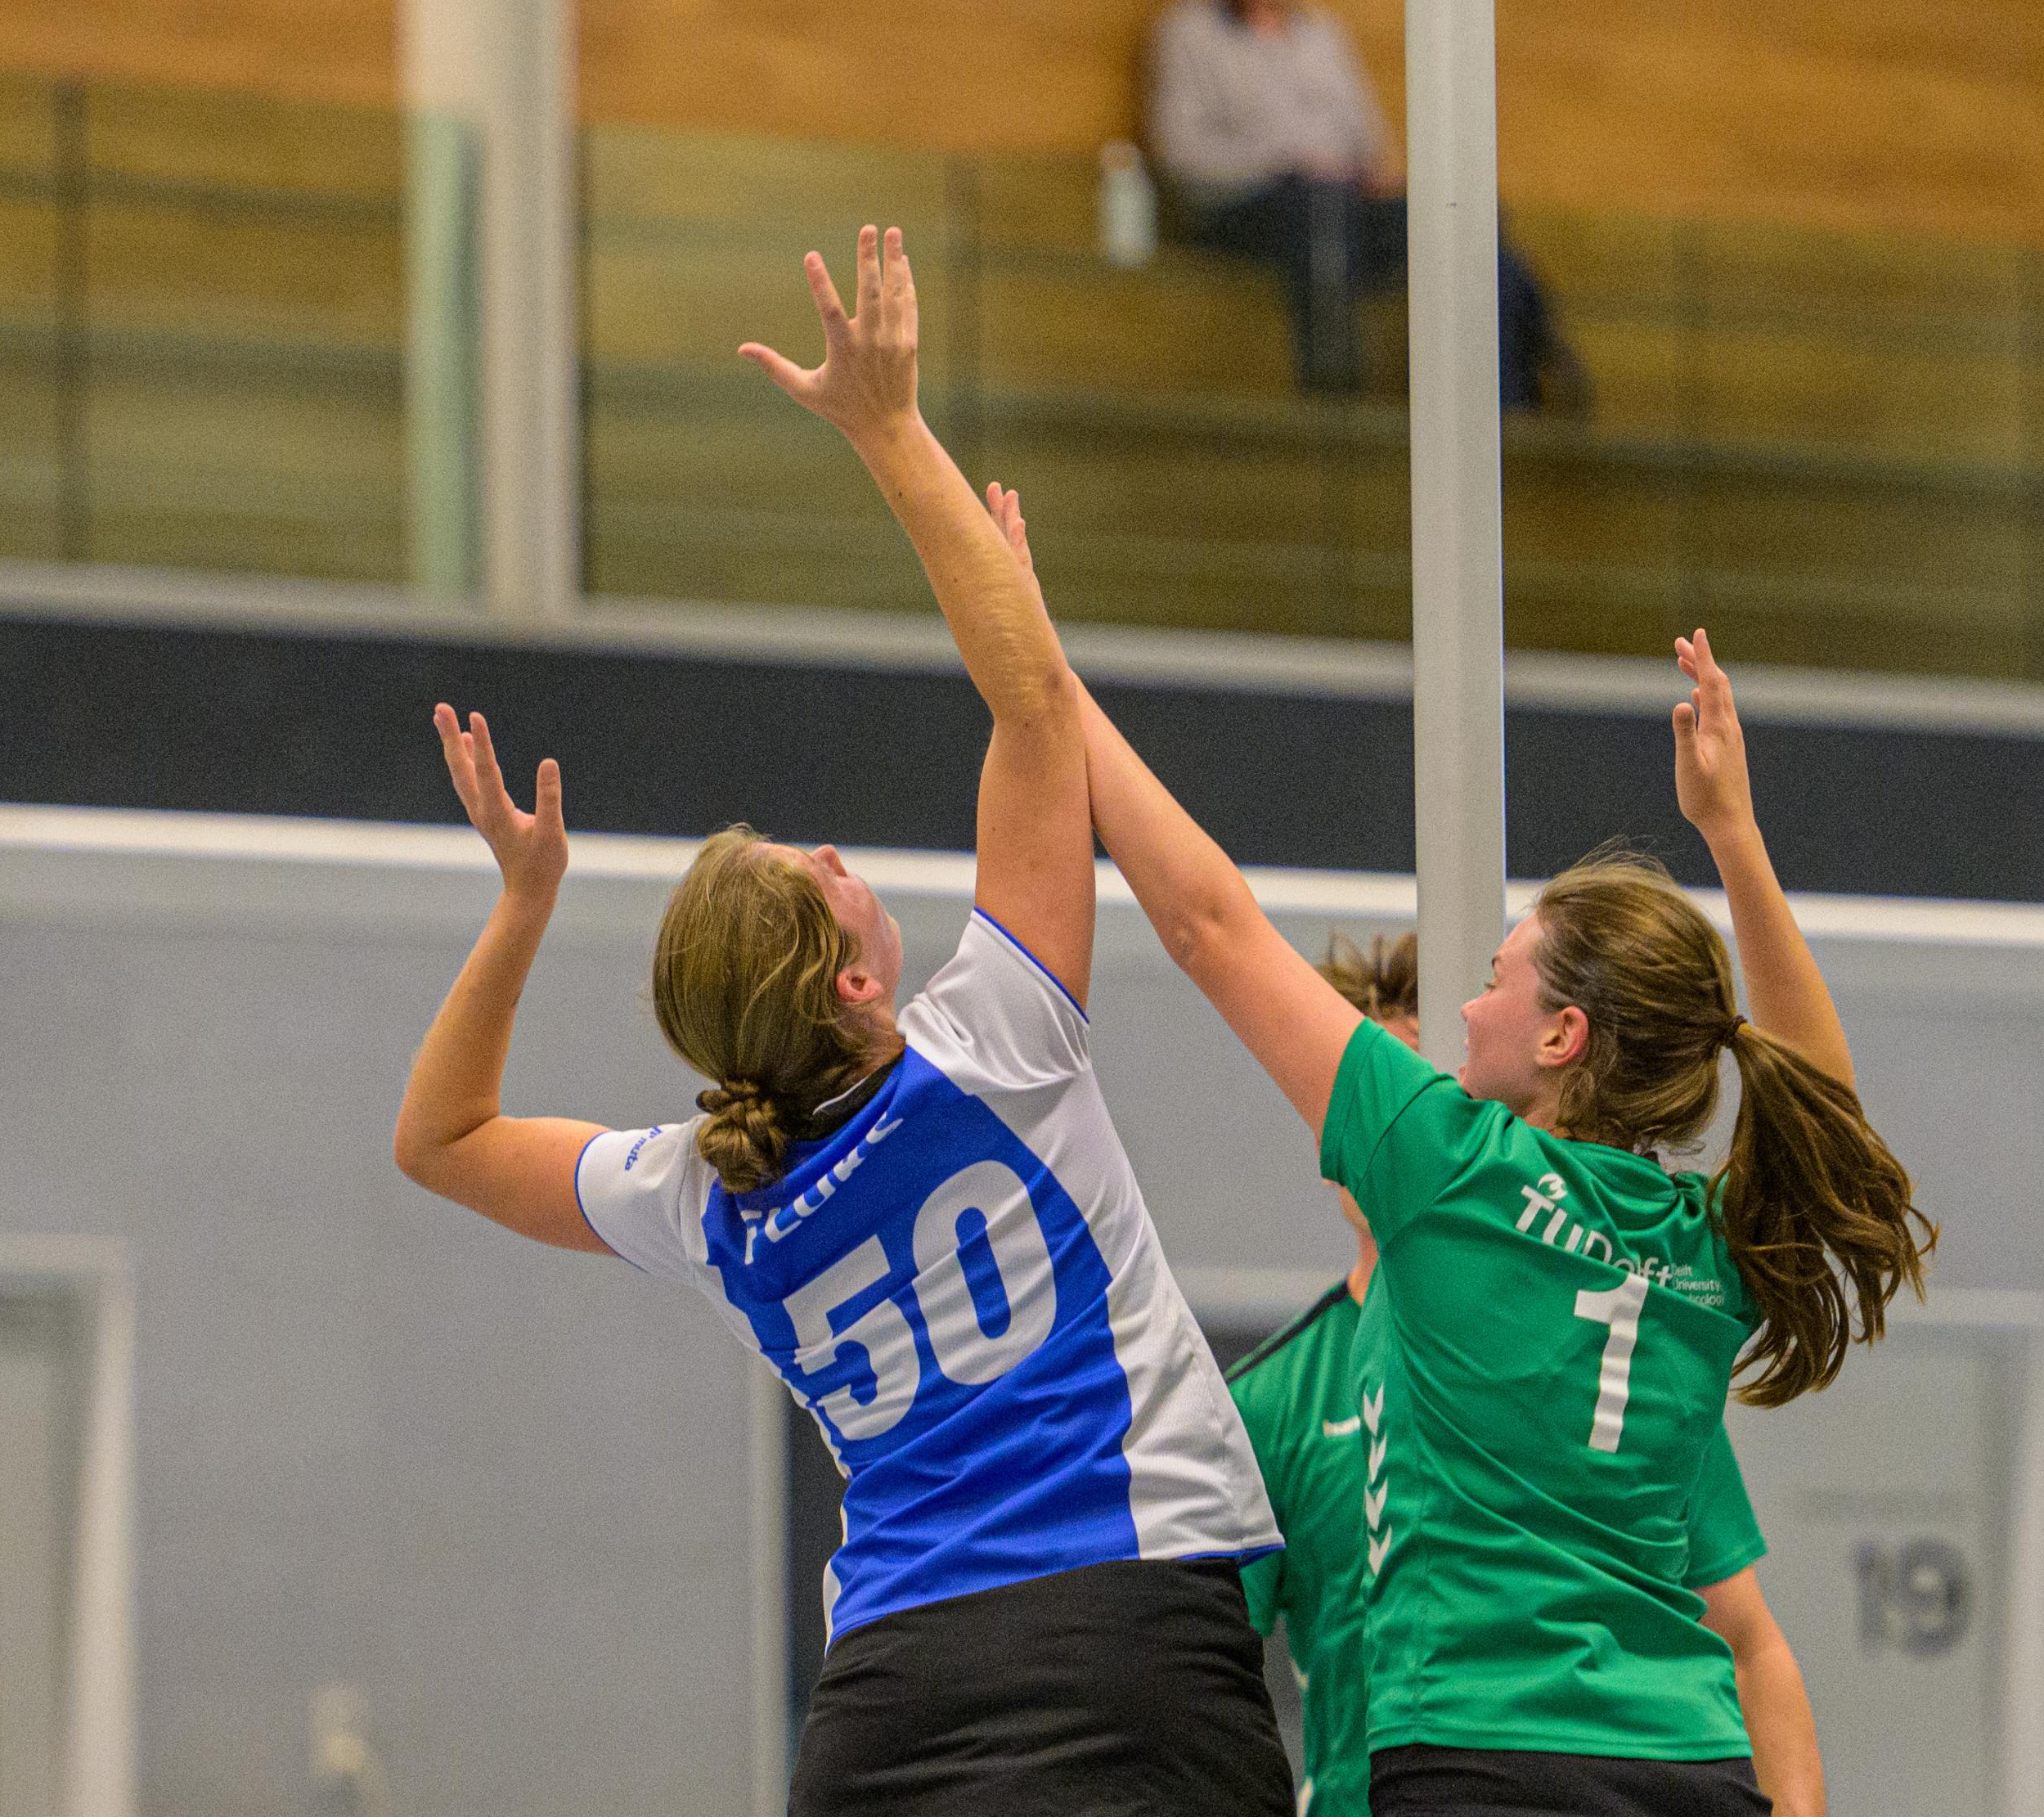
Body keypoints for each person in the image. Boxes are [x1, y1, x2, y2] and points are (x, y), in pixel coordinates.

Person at [393, 227, 1293, 1816]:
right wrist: (891, 430)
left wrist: (523, 902)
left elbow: (441, 1138)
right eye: (812, 871)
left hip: (892, 1692)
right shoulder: (992, 1042)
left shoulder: (706, 1189)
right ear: (853, 980)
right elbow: (1036, 708)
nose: (828, 849)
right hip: (1122, 1618)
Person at [998, 480, 1912, 1815]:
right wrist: (1734, 833)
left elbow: (1207, 921)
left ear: (1559, 1035)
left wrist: (1043, 673)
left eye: (1493, 978)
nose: (1467, 1008)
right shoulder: (1705, 1241)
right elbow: (1818, 1093)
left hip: (1481, 1753)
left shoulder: (1449, 1168)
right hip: (1689, 1761)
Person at [1221, 933, 1829, 1817]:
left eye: (1432, 1080)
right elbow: (1208, 1674)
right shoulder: (1269, 1401)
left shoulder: (1609, 1353)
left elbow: (1746, 1638)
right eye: (1391, 1077)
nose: (1415, 1105)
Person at [1144, 0, 1581, 411]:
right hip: (1246, 208)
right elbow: (1181, 151)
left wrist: (1381, 177)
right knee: (1320, 212)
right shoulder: (1189, 32)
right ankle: (1338, 414)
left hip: (1345, 205)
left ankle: (1500, 406)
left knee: (1468, 219)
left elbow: (1372, 145)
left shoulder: (1324, 37)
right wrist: (1290, 166)